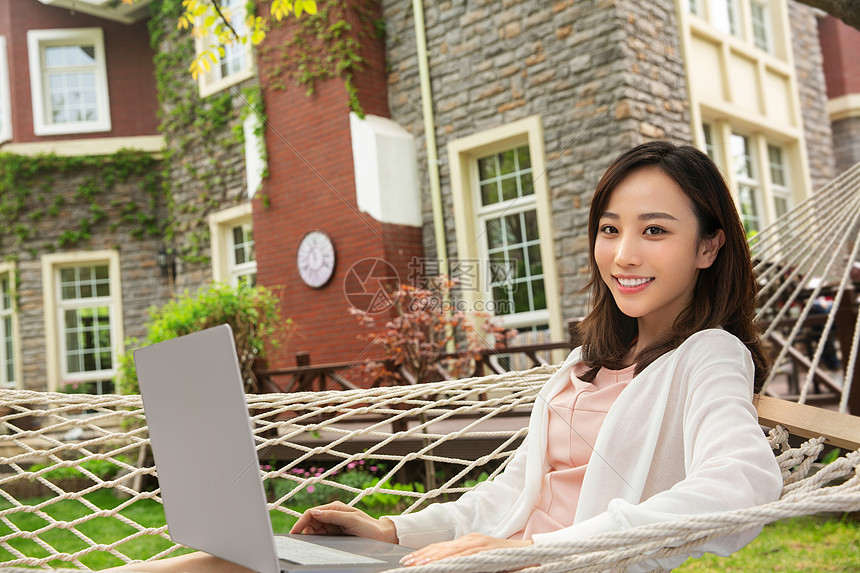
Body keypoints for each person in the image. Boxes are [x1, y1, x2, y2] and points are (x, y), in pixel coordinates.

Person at [108, 140, 783, 572]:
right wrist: (390, 526)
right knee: (227, 560)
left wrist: (533, 550)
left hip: (548, 567)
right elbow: (509, 495)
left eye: (655, 231)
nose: (624, 253)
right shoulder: (585, 362)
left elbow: (740, 486)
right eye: (610, 229)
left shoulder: (708, 356)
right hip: (477, 562)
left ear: (709, 246)